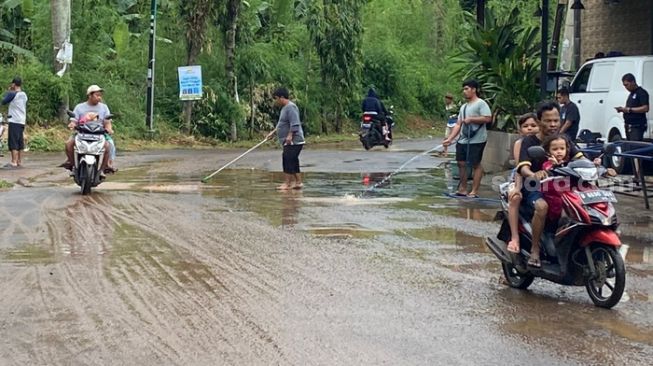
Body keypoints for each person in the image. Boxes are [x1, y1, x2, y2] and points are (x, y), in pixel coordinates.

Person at [516, 101, 585, 268]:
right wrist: (534, 175)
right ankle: (535, 250)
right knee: (542, 207)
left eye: (556, 120)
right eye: (548, 121)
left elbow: (581, 159)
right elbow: (523, 167)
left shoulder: (563, 140)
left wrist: (599, 167)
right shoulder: (529, 142)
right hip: (535, 187)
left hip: (562, 186)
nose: (553, 124)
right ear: (539, 121)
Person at [442, 80, 492, 198]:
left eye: (467, 89)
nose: (464, 92)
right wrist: (450, 138)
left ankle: (474, 191)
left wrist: (472, 119)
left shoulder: (481, 103)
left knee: (475, 164)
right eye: (463, 89)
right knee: (461, 163)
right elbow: (459, 124)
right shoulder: (464, 107)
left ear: (474, 89)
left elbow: (488, 118)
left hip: (477, 139)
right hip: (463, 139)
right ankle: (463, 189)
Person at [60, 85, 114, 176]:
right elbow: (74, 121)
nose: (99, 98)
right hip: (81, 133)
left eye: (100, 95)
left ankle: (104, 167)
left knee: (109, 145)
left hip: (99, 134)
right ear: (90, 95)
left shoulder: (104, 108)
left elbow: (107, 122)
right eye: (97, 95)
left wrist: (109, 128)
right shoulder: (79, 107)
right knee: (68, 144)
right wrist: (72, 125)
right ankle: (73, 164)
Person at [506, 113, 539, 254]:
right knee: (515, 198)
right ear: (520, 130)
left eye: (533, 125)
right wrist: (518, 188)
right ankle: (514, 237)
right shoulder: (520, 144)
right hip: (519, 176)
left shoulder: (544, 142)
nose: (530, 128)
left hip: (539, 179)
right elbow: (520, 168)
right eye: (526, 126)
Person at [266, 87, 305, 190]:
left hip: (294, 140)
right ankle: (298, 182)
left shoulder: (291, 107)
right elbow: (281, 124)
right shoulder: (285, 108)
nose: (276, 101)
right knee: (293, 160)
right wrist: (273, 133)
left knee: (287, 159)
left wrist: (290, 135)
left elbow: (295, 123)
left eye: (276, 98)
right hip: (289, 140)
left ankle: (287, 184)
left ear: (282, 97)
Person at [1, 77, 28, 168]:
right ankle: (19, 161)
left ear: (13, 84)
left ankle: (14, 161)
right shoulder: (24, 94)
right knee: (19, 141)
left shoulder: (12, 94)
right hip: (21, 121)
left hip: (14, 120)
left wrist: (9, 91)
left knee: (13, 141)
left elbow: (4, 101)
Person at [615, 73, 649, 142]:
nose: (626, 87)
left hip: (637, 126)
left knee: (635, 146)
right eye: (624, 85)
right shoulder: (632, 94)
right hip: (629, 126)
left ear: (633, 82)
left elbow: (645, 108)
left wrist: (629, 110)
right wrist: (622, 109)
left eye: (627, 85)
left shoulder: (641, 93)